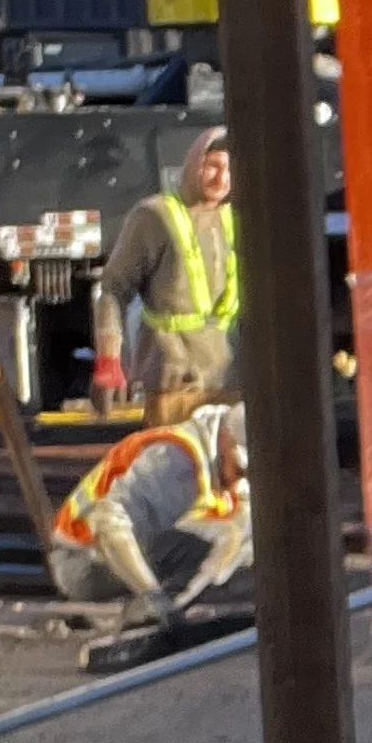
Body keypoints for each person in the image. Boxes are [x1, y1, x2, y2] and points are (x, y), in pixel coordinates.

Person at [50, 400, 250, 617]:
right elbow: (109, 521)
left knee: (247, 531)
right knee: (226, 536)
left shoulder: (218, 462)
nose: (241, 482)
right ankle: (159, 615)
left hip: (130, 552)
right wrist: (152, 596)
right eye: (241, 470)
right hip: (84, 562)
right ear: (224, 438)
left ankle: (182, 608)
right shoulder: (175, 458)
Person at [91, 125, 235, 422]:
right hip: (175, 380)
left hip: (229, 379)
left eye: (230, 169)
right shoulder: (155, 216)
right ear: (195, 163)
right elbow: (114, 289)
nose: (221, 178)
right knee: (173, 465)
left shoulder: (234, 217)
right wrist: (109, 360)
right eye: (213, 166)